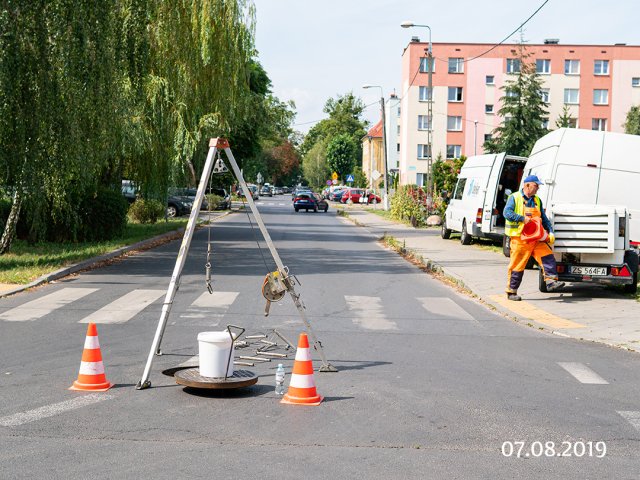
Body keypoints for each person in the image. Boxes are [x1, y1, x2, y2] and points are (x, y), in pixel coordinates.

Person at [503, 175, 564, 301]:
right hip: (520, 239)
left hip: (536, 238)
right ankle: (511, 292)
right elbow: (506, 213)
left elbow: (544, 219)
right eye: (536, 186)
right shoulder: (514, 197)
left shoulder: (537, 200)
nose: (537, 188)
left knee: (548, 256)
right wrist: (522, 218)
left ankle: (551, 282)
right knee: (517, 266)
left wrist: (550, 231)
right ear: (527, 185)